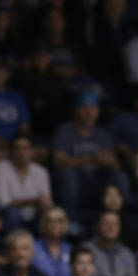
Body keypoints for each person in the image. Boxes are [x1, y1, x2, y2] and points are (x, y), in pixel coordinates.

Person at [51, 93, 125, 221]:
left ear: (98, 111)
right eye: (84, 108)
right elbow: (58, 161)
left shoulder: (102, 134)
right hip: (75, 182)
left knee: (119, 177)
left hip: (97, 182)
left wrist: (109, 161)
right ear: (76, 110)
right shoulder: (65, 131)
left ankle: (118, 219)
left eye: (93, 109)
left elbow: (117, 166)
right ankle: (69, 220)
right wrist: (90, 159)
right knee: (68, 176)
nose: (89, 113)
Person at [0, 134, 52, 227]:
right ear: (11, 151)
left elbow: (46, 200)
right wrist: (33, 201)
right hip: (9, 217)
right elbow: (3, 202)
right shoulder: (1, 168)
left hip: (35, 216)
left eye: (25, 148)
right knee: (12, 212)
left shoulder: (41, 172)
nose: (21, 152)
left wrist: (44, 205)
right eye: (17, 148)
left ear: (32, 151)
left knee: (50, 214)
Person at [82, 211, 136, 276]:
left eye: (114, 224)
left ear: (119, 228)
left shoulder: (126, 253)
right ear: (98, 226)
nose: (110, 227)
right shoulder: (86, 249)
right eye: (106, 223)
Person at [32, 208, 72, 276]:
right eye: (50, 221)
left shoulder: (70, 250)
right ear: (43, 224)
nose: (55, 225)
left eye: (59, 221)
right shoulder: (33, 248)